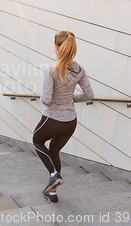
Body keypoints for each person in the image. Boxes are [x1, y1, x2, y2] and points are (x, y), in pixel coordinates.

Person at [33, 30, 94, 204]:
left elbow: (46, 100)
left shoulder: (51, 70)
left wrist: (55, 99)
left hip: (53, 119)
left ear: (57, 47)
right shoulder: (79, 69)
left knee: (37, 141)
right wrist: (72, 99)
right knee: (54, 151)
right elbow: (89, 95)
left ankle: (54, 175)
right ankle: (52, 192)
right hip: (70, 121)